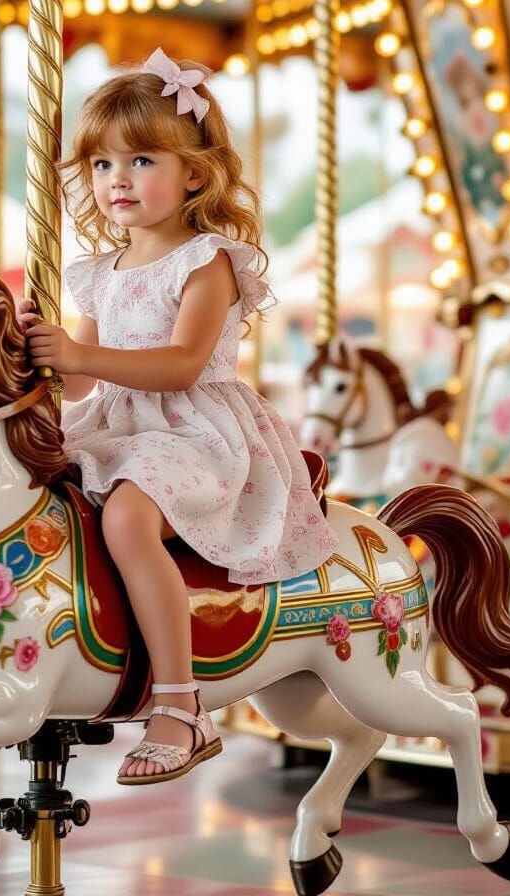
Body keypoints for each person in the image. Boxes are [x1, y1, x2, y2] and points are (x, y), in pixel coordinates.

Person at [19, 47, 338, 785]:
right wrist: (33, 353)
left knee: (128, 519)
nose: (117, 181)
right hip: (121, 423)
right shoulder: (100, 272)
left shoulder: (207, 261)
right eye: (101, 166)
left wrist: (78, 358)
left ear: (194, 173)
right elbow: (73, 387)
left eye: (140, 162)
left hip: (197, 431)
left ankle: (181, 703)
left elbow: (182, 364)